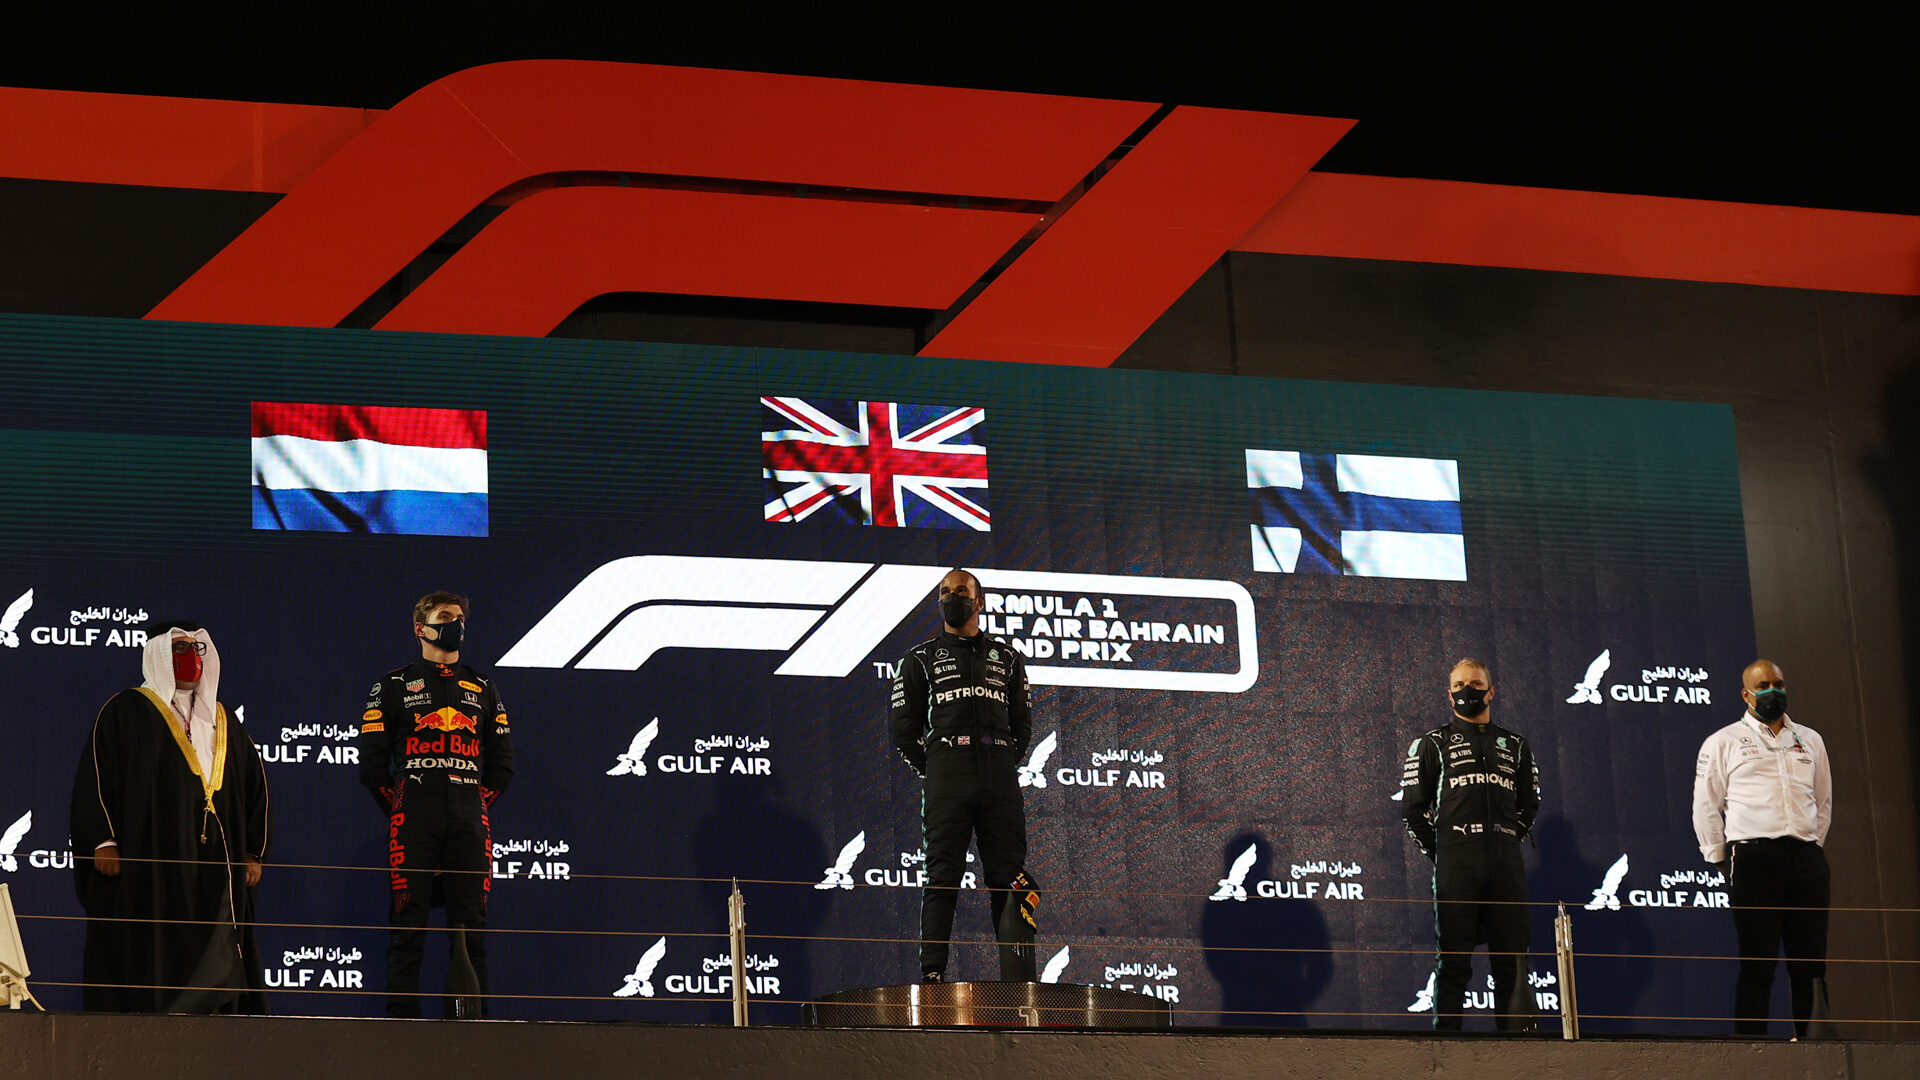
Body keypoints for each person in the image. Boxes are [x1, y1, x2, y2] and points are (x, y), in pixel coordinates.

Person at [69, 621, 270, 1013]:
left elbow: (254, 788)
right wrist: (103, 841)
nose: (191, 657)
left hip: (216, 862)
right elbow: (96, 777)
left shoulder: (223, 720)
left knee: (217, 939)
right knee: (150, 945)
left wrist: (253, 851)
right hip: (148, 860)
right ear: (158, 655)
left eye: (197, 649)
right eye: (180, 649)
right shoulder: (126, 710)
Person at [358, 591, 514, 1017]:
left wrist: (472, 804)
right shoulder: (391, 686)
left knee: (472, 932)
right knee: (406, 929)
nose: (455, 624)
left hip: (470, 822)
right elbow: (372, 767)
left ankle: (472, 1032)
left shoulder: (483, 687)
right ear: (420, 628)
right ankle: (401, 1033)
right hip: (412, 820)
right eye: (445, 616)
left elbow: (502, 765)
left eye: (460, 617)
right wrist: (404, 806)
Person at [890, 569, 1040, 983]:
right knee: (942, 877)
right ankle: (933, 976)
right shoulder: (918, 659)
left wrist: (1000, 762)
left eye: (959, 591)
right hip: (947, 780)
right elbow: (903, 731)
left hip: (998, 781)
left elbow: (1022, 726)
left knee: (1008, 878)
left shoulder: (1008, 659)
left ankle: (1017, 982)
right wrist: (938, 768)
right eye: (944, 592)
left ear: (978, 602)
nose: (950, 597)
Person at [1691, 658, 1833, 1038]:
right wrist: (1720, 859)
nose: (1774, 691)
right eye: (1764, 686)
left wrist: (1811, 846)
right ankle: (1752, 1054)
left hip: (1806, 858)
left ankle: (1816, 1049)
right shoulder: (1723, 741)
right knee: (1758, 964)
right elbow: (1705, 806)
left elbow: (1823, 802)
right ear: (1746, 695)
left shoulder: (1810, 739)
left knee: (1811, 965)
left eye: (1779, 684)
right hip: (1753, 859)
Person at [1401, 657, 1540, 1031]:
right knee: (1453, 964)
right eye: (1459, 685)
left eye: (1476, 684)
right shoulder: (1432, 743)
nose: (1468, 691)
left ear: (1491, 692)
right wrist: (1445, 852)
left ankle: (1520, 1054)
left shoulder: (1516, 745)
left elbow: (1529, 805)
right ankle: (1447, 1051)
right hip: (1456, 868)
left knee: (1513, 964)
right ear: (1450, 696)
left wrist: (1505, 840)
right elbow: (1412, 810)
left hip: (1506, 867)